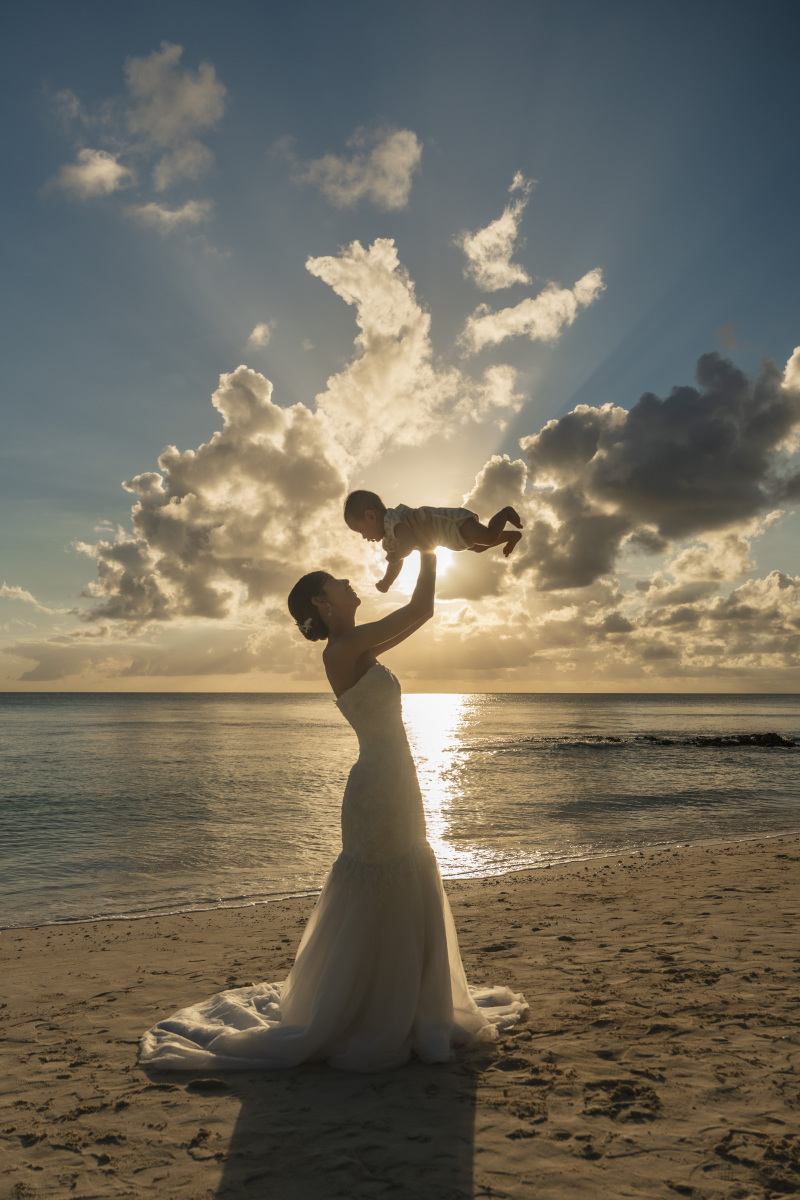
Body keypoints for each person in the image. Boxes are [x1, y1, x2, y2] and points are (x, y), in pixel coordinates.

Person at [139, 514, 526, 1073]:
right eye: (336, 584)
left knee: (401, 877)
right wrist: (430, 551)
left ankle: (399, 1001)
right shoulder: (340, 652)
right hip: (379, 785)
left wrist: (433, 549)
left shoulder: (357, 645)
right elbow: (420, 611)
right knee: (381, 882)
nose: (348, 584)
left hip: (395, 779)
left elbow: (420, 618)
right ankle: (371, 1010)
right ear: (322, 604)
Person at [344, 489, 523, 592]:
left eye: (360, 530)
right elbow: (397, 561)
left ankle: (505, 513)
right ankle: (511, 536)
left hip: (453, 524)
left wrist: (395, 555)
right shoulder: (389, 539)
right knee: (479, 547)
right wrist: (388, 580)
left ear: (370, 516)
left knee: (488, 536)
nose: (364, 537)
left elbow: (406, 545)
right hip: (450, 538)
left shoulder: (393, 521)